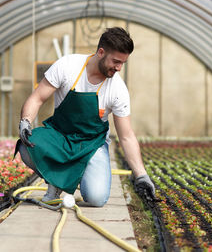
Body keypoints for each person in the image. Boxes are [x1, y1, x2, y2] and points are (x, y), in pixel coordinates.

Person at [16, 27, 156, 207]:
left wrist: (141, 175)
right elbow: (37, 98)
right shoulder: (68, 66)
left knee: (96, 198)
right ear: (101, 52)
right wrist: (25, 121)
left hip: (91, 144)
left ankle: (74, 176)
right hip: (60, 135)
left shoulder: (118, 89)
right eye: (115, 61)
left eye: (123, 63)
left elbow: (126, 136)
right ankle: (56, 183)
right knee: (28, 146)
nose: (118, 68)